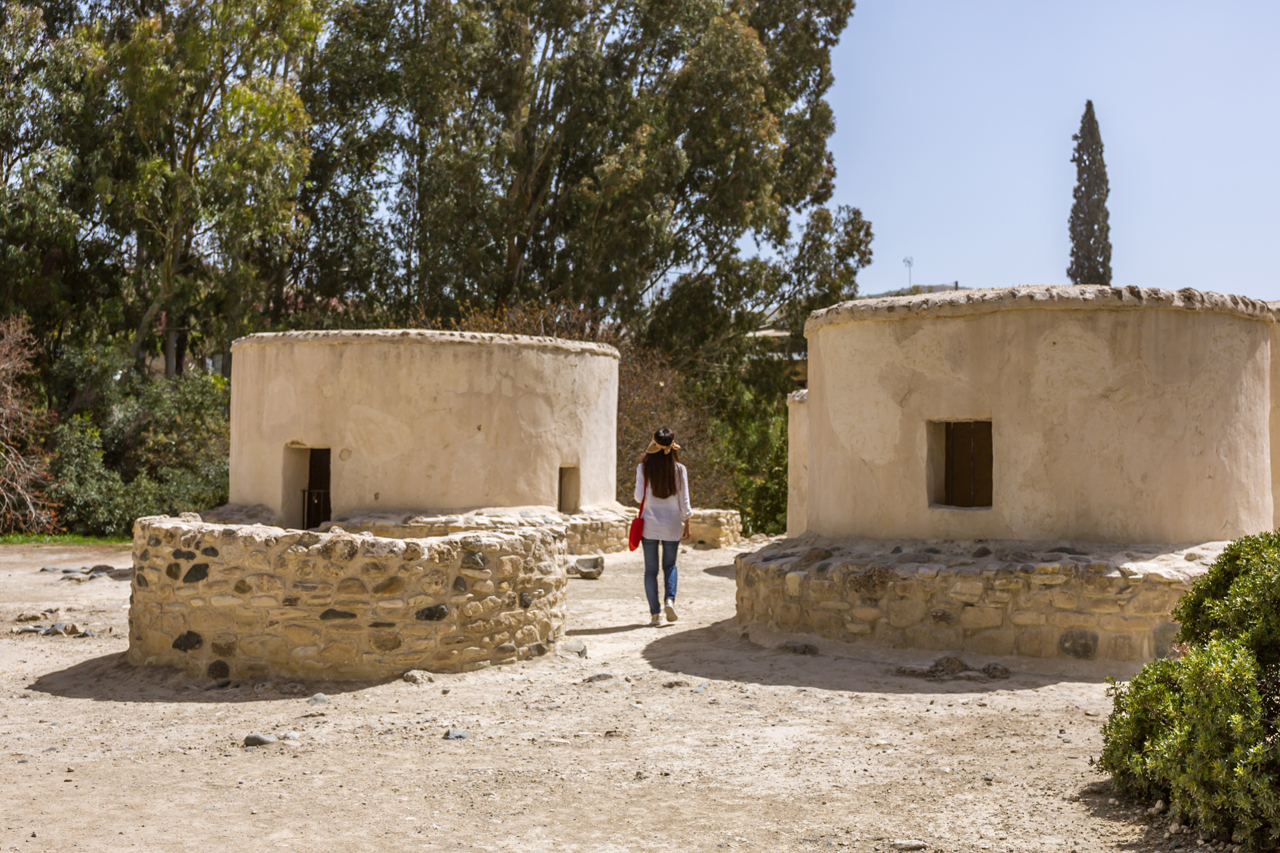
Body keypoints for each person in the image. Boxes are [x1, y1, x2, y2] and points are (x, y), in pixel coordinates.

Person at [634, 427, 692, 625]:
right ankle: (670, 600)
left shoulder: (643, 468)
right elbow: (684, 501)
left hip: (649, 525)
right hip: (672, 524)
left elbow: (638, 497)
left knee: (651, 571)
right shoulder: (679, 469)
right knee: (670, 565)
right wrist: (687, 523)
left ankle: (655, 614)